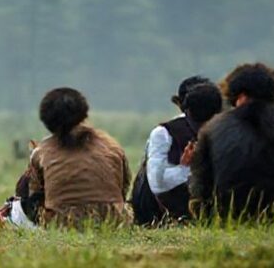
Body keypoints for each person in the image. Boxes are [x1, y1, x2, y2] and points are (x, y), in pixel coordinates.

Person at [188, 64, 274, 222]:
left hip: (227, 219)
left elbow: (201, 186)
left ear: (241, 96)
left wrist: (207, 218)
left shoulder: (212, 129)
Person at [28, 87, 132, 228]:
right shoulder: (112, 146)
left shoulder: (41, 152)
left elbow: (34, 196)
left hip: (62, 224)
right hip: (113, 221)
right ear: (84, 113)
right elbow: (123, 187)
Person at [130, 77, 223, 225]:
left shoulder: (225, 131)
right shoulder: (164, 133)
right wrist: (186, 168)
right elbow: (157, 183)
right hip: (164, 213)